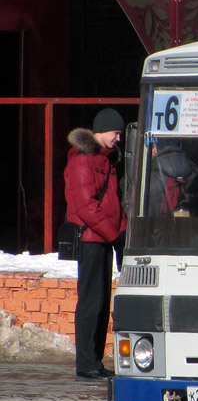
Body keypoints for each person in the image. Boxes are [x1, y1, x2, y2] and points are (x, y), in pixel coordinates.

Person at [64, 108, 127, 379]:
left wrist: (122, 235)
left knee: (102, 299)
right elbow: (86, 206)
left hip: (103, 239)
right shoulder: (82, 160)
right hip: (91, 240)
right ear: (102, 131)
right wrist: (115, 234)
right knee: (91, 301)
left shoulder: (107, 160)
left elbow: (115, 203)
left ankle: (95, 361)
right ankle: (86, 363)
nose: (119, 139)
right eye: (116, 133)